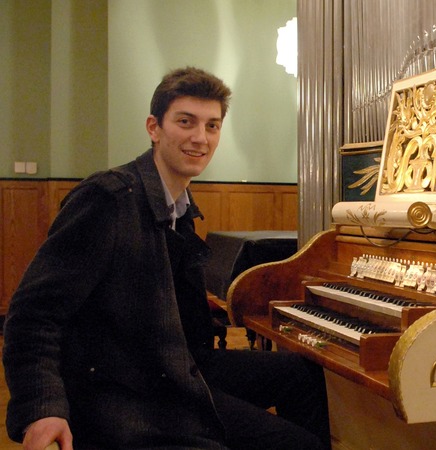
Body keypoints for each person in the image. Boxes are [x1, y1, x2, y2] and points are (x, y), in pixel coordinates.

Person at [3, 67, 330, 450]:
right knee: (295, 444)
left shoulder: (181, 206)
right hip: (128, 390)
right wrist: (43, 407)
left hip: (173, 366)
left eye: (212, 126)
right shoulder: (107, 199)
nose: (200, 138)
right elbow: (32, 314)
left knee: (301, 371)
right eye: (186, 122)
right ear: (154, 128)